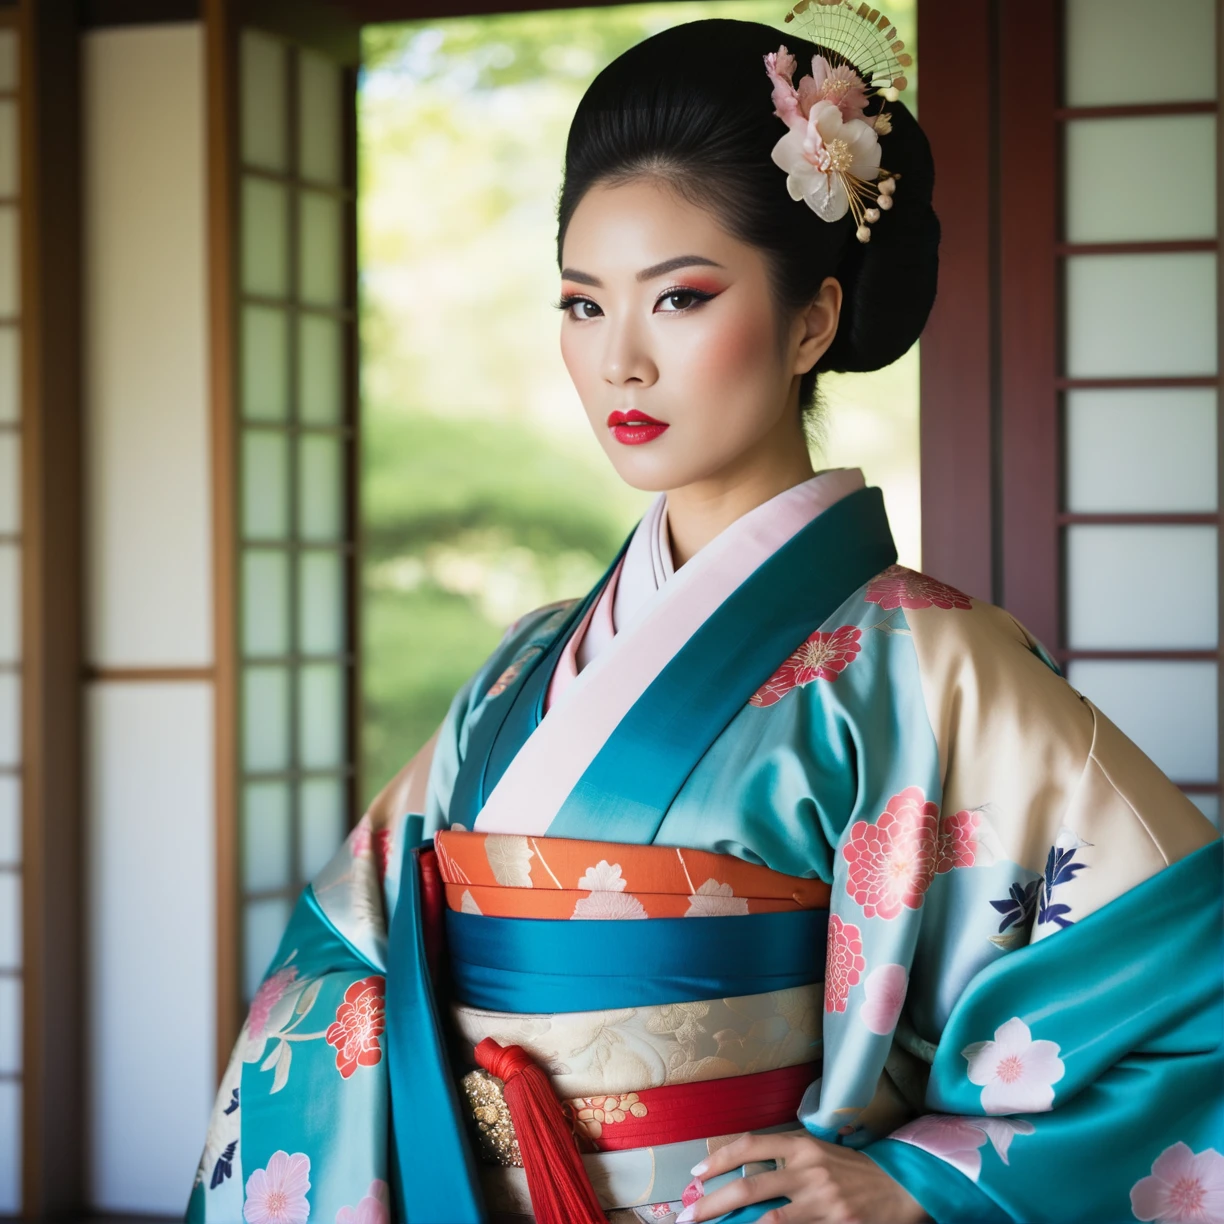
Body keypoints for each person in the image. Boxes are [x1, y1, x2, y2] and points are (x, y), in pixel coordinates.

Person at [187, 13, 1222, 1224]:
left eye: (678, 298)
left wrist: (916, 1184)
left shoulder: (929, 664)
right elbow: (346, 949)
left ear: (812, 321)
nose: (619, 360)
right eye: (583, 305)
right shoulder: (528, 662)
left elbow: (1188, 994)